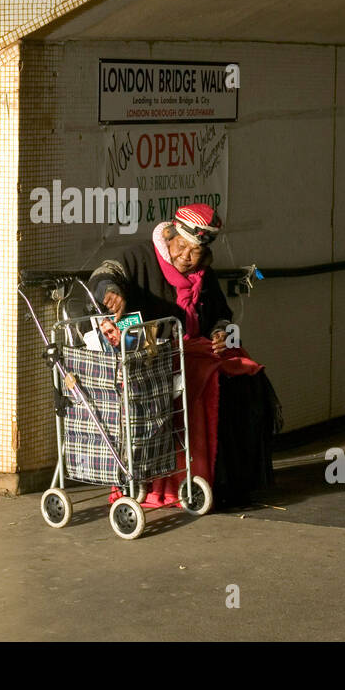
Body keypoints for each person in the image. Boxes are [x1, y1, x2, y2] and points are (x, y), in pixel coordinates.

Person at [88, 203, 280, 509]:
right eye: (181, 247)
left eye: (195, 253)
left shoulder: (205, 277)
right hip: (152, 359)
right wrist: (110, 291)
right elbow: (104, 273)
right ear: (168, 236)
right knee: (210, 380)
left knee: (245, 374)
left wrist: (220, 333)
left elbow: (221, 317)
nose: (186, 258)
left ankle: (228, 482)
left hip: (194, 351)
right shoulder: (138, 258)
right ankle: (181, 479)